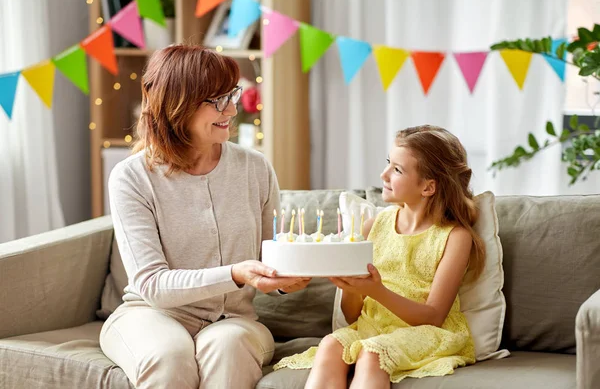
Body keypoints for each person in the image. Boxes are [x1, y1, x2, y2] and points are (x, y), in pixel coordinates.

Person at [99, 44, 310, 389]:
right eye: (216, 100)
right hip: (151, 314)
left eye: (231, 94)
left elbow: (269, 260)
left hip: (233, 320)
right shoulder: (132, 177)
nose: (231, 108)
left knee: (229, 346)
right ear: (176, 105)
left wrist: (285, 281)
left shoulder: (255, 168)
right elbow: (152, 285)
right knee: (168, 356)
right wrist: (236, 273)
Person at [274, 125, 485, 388]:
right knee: (330, 344)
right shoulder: (373, 227)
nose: (383, 174)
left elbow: (433, 316)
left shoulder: (454, 237)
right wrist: (351, 288)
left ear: (428, 187)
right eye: (388, 163)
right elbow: (353, 317)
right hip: (371, 329)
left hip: (425, 333)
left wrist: (375, 290)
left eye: (397, 169)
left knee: (373, 353)